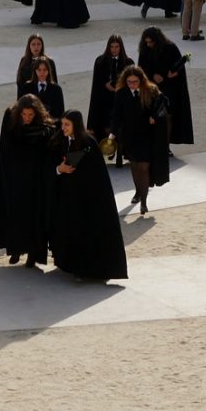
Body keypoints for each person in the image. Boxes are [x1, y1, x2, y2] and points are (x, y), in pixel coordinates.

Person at [51, 110, 128, 282]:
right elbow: (56, 165)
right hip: (69, 199)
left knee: (86, 235)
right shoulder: (62, 141)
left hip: (89, 200)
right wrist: (59, 169)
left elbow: (94, 174)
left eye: (67, 125)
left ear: (75, 125)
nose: (62, 128)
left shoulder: (88, 143)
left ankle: (84, 270)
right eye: (62, 124)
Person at [0, 95, 60, 266]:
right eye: (24, 115)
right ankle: (15, 250)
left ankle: (32, 256)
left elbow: (47, 148)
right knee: (15, 216)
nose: (27, 118)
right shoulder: (10, 118)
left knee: (33, 218)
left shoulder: (44, 128)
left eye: (30, 115)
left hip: (35, 180)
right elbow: (6, 148)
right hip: (15, 178)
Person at [110, 66, 170, 215]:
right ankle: (138, 192)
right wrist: (112, 134)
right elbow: (116, 115)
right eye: (129, 82)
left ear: (141, 80)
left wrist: (155, 118)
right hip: (129, 137)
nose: (132, 84)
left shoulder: (151, 91)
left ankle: (143, 202)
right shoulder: (121, 93)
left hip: (147, 136)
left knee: (143, 168)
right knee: (135, 167)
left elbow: (162, 107)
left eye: (135, 81)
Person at [139, 26, 194, 146]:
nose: (148, 45)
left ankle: (165, 145)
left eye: (151, 42)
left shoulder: (171, 48)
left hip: (170, 88)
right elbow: (141, 69)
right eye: (146, 42)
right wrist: (152, 75)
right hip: (152, 88)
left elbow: (179, 66)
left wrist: (174, 72)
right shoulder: (145, 50)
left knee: (168, 116)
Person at [86, 34, 133, 148]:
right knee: (105, 127)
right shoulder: (101, 61)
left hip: (121, 100)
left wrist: (117, 88)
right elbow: (97, 85)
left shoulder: (128, 62)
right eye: (112, 47)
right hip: (104, 100)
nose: (114, 49)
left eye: (117, 46)